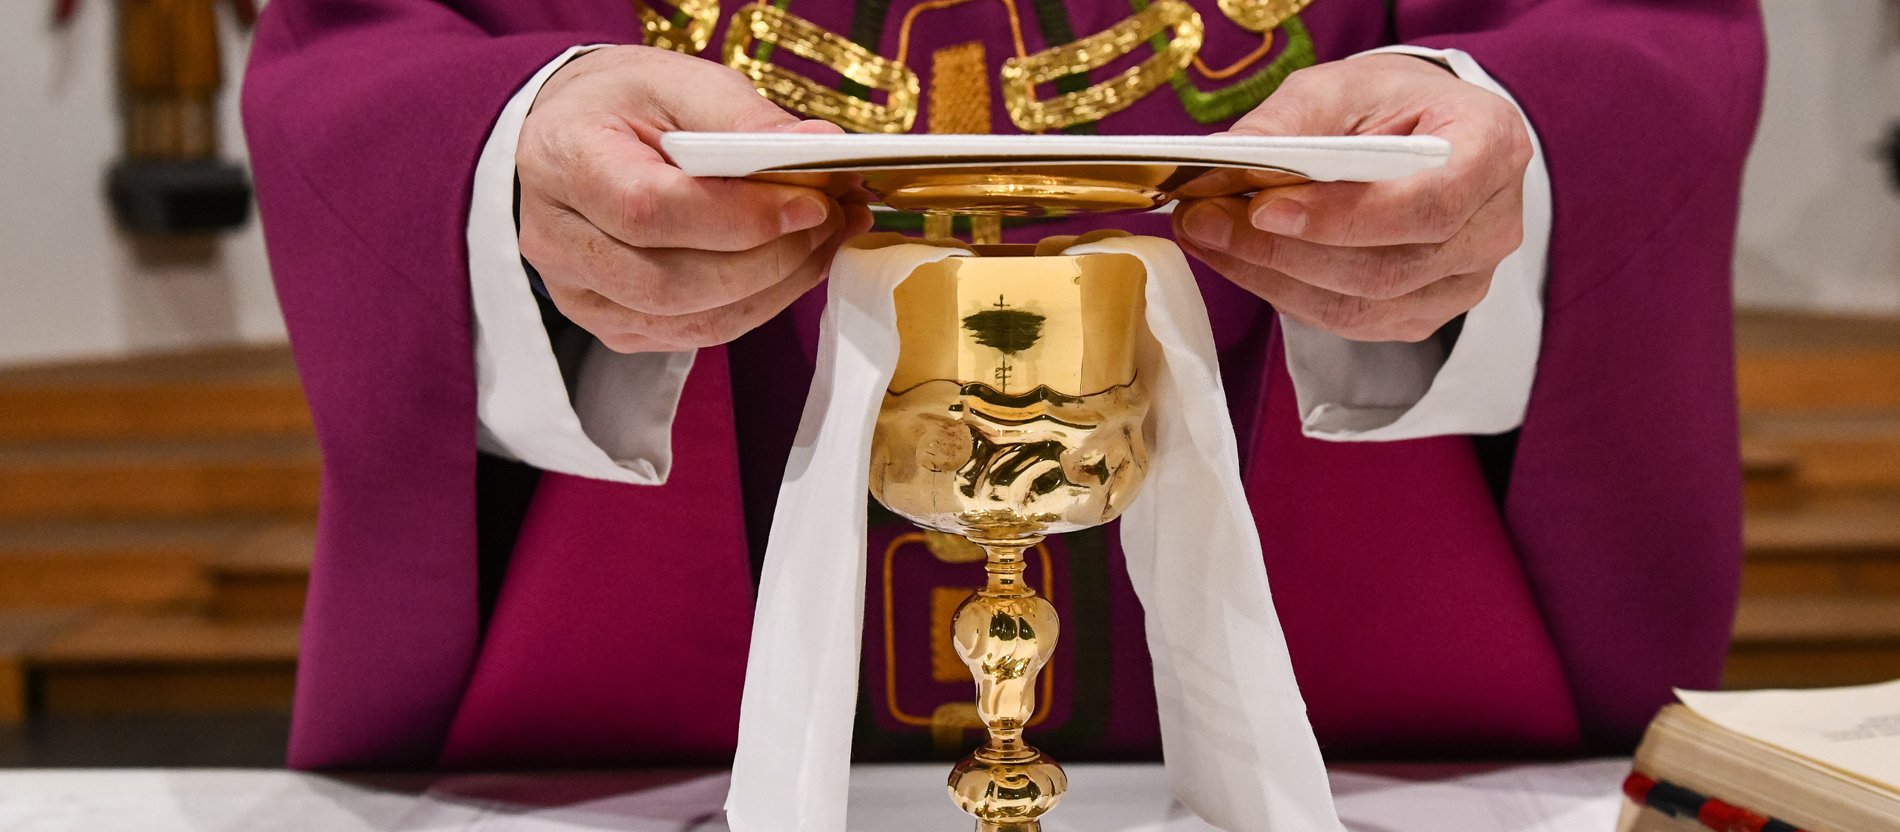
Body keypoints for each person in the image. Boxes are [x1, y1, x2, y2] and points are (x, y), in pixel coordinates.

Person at [242, 0, 1764, 770]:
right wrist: (515, 154)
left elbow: (1638, 44)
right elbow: (359, 50)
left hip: (1371, 672)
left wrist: (1477, 158)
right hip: (629, 688)